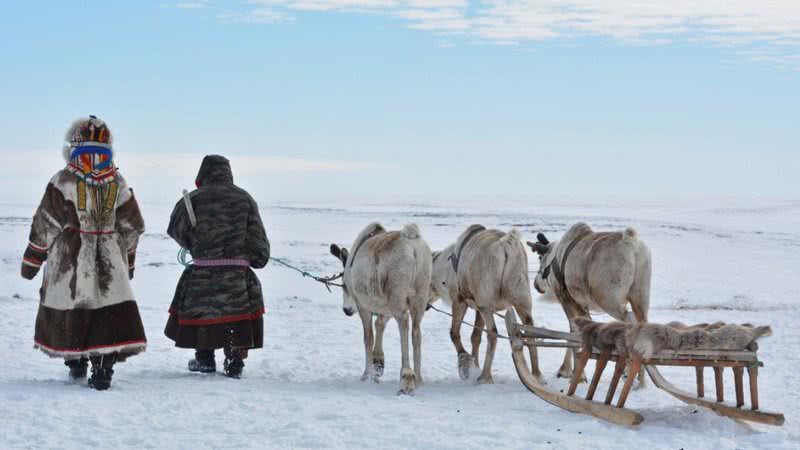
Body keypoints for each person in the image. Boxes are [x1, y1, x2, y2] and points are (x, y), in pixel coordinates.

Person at [21, 116, 147, 390]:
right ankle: (103, 368)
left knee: (73, 307)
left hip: (69, 260)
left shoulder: (63, 180)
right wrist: (128, 263)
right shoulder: (117, 182)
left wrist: (32, 260)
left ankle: (76, 361)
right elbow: (132, 227)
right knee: (106, 312)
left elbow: (45, 223)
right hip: (110, 258)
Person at [165, 155, 270, 378]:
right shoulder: (245, 199)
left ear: (201, 175)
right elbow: (258, 243)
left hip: (202, 273)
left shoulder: (191, 200)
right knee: (237, 312)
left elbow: (175, 229)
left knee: (204, 309)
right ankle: (234, 361)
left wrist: (194, 243)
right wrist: (255, 258)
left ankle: (204, 358)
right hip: (237, 277)